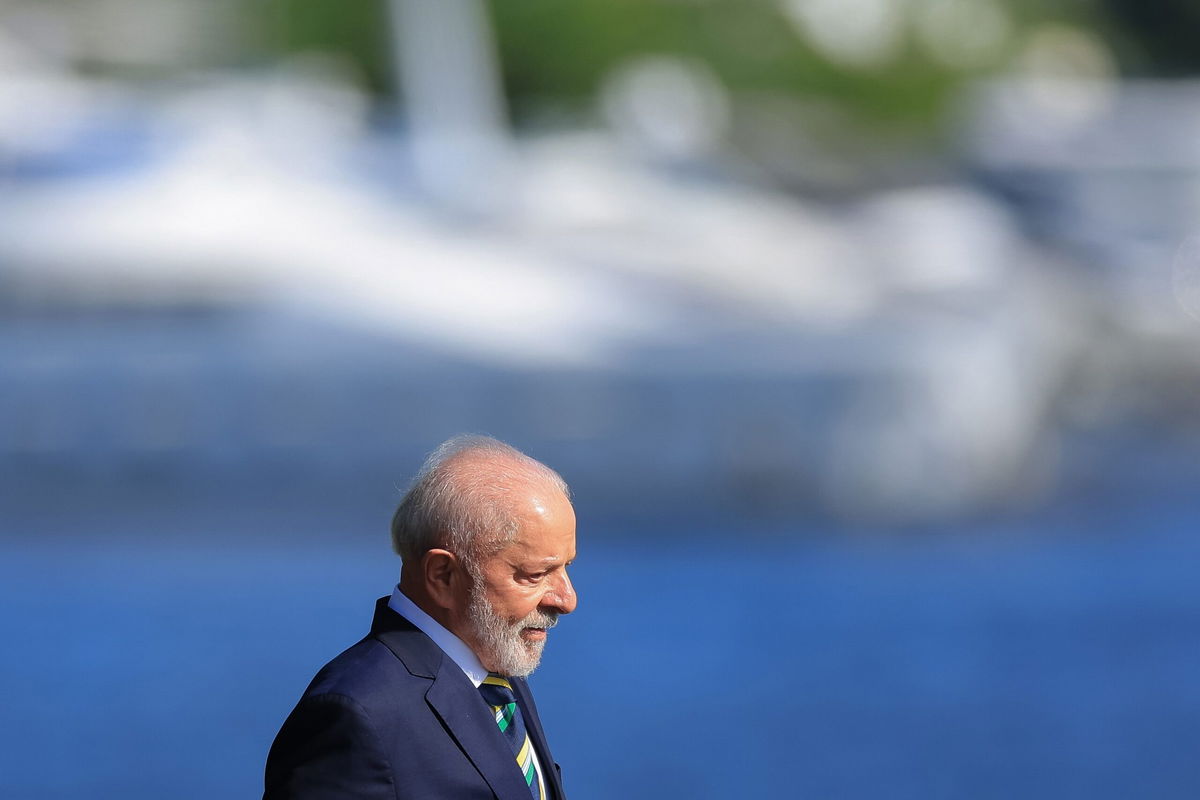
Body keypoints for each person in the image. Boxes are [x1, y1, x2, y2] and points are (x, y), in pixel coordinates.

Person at [264, 435, 578, 799]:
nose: (567, 599)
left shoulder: (497, 676)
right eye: (535, 575)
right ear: (442, 575)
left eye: (566, 567)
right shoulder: (359, 714)